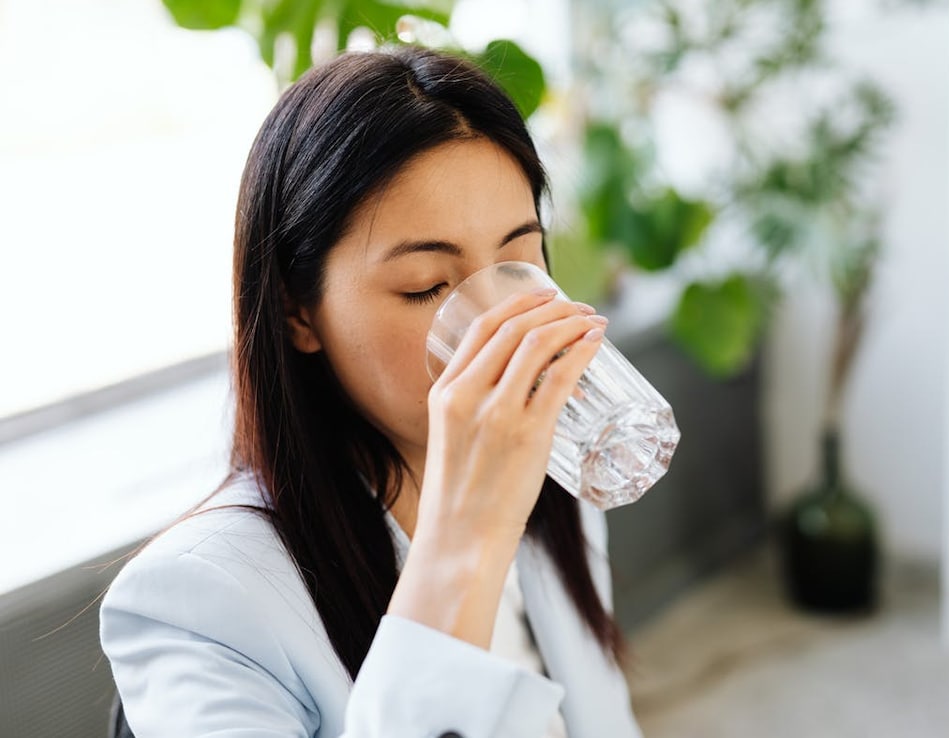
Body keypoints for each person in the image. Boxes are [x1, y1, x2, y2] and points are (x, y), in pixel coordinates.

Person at [100, 45, 643, 738]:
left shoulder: (552, 489)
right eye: (429, 287)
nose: (498, 324)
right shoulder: (200, 604)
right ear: (300, 312)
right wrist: (464, 538)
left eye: (518, 262)